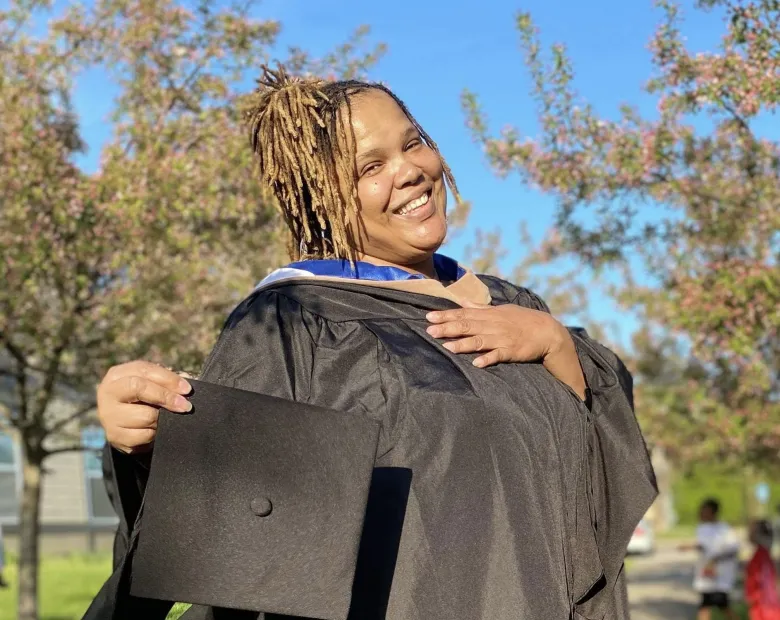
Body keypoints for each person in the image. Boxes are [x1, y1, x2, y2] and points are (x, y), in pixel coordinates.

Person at [84, 66, 656, 620]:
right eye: (370, 167)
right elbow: (233, 519)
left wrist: (560, 345)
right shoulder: (297, 321)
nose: (409, 171)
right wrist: (148, 444)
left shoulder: (514, 304)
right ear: (322, 202)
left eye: (413, 144)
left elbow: (592, 477)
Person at [680, 498, 741, 620]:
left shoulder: (724, 529)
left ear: (713, 512)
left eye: (705, 511)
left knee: (722, 606)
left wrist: (716, 559)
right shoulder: (702, 528)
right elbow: (704, 546)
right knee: (705, 605)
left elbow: (733, 549)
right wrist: (690, 546)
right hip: (707, 576)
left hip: (720, 576)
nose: (701, 514)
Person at [746, 519, 780, 620]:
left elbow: (763, 581)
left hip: (764, 605)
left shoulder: (761, 556)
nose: (749, 535)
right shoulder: (764, 555)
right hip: (764, 604)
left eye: (752, 531)